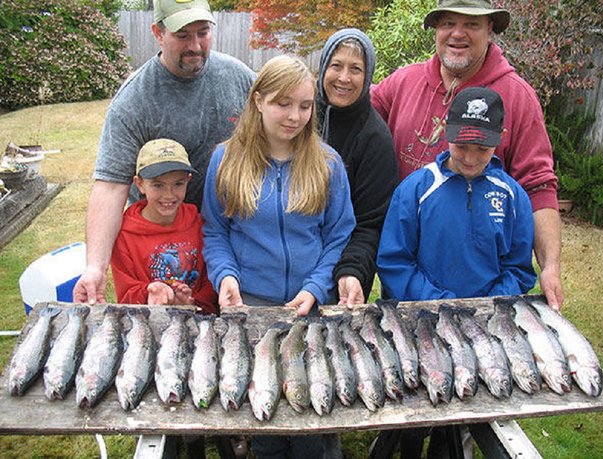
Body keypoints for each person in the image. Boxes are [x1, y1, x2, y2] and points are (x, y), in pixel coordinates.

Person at [202, 55, 355, 458]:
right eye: (283, 103)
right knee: (264, 414)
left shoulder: (326, 163)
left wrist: (316, 286)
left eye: (305, 106)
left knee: (310, 410)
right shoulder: (226, 160)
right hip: (251, 307)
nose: (295, 116)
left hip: (309, 307)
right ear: (258, 101)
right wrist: (226, 277)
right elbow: (215, 231)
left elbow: (338, 234)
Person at [370, 0, 563, 309]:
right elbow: (354, 115)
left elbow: (539, 186)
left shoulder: (517, 96)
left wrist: (550, 265)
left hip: (484, 296)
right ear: (435, 29)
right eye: (447, 23)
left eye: (471, 24)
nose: (457, 33)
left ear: (490, 29)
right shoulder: (403, 81)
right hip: (412, 292)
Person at [376, 86, 536, 458]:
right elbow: (395, 262)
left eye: (481, 148)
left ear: (499, 142)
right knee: (415, 405)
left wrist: (485, 303)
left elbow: (518, 268)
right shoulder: (415, 189)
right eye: (461, 145)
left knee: (466, 401)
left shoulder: (512, 197)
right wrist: (437, 301)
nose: (469, 157)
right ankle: (401, 442)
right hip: (419, 322)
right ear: (445, 132)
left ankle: (451, 446)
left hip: (484, 326)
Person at [73, 0, 256, 305]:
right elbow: (111, 185)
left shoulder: (239, 78)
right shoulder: (133, 100)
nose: (195, 45)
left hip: (227, 238)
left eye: (203, 33)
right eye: (183, 35)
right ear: (158, 33)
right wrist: (94, 268)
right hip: (160, 242)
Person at [317, 28, 399, 306]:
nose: (344, 78)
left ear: (367, 77)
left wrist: (352, 270)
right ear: (323, 67)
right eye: (336, 65)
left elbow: (371, 224)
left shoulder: (375, 137)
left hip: (343, 273)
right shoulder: (300, 117)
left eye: (356, 69)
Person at [110, 138, 217, 313]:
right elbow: (126, 294)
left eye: (178, 184)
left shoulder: (198, 223)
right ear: (140, 184)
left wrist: (192, 303)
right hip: (147, 323)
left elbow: (210, 281)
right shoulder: (124, 235)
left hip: (199, 321)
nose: (168, 195)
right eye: (158, 185)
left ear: (188, 180)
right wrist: (150, 293)